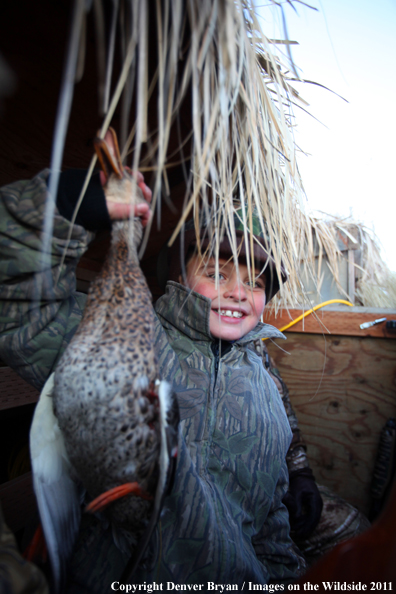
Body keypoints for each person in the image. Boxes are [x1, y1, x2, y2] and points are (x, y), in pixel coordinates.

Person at [0, 162, 306, 591]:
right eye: (217, 273)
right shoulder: (127, 337)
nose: (238, 291)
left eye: (255, 282)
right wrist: (64, 205)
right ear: (179, 275)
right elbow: (22, 307)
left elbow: (268, 520)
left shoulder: (267, 389)